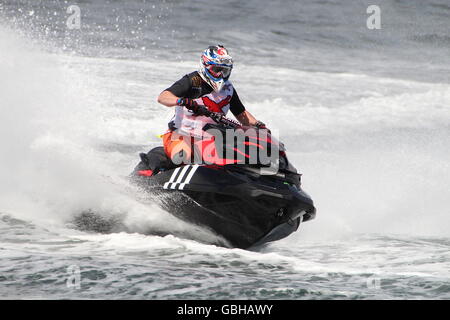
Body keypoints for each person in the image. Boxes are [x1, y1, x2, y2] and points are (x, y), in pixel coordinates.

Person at [157, 45, 267, 165]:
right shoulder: (192, 80)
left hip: (211, 138)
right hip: (180, 135)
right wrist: (181, 101)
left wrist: (258, 125)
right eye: (216, 69)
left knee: (233, 157)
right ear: (205, 65)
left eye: (224, 71)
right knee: (184, 158)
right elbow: (163, 97)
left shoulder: (228, 89)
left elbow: (242, 115)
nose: (220, 74)